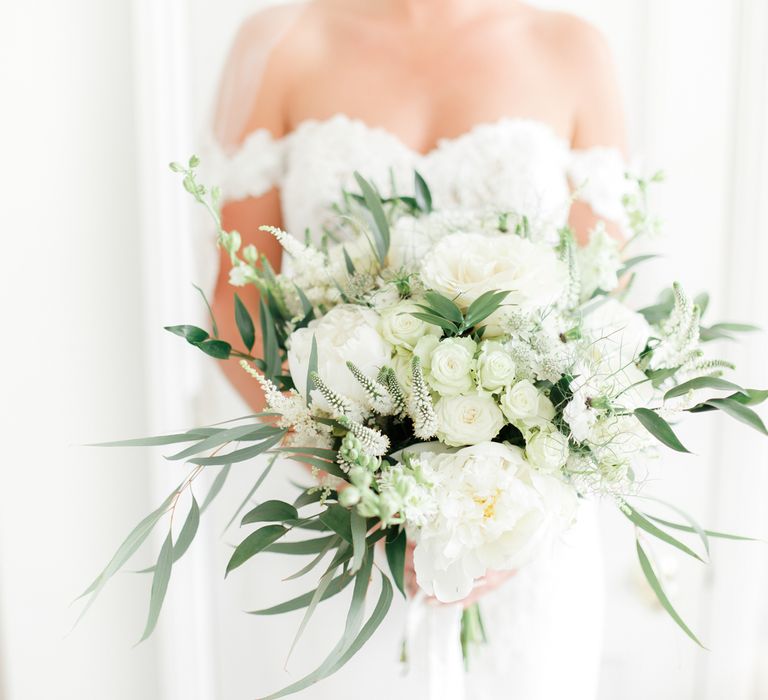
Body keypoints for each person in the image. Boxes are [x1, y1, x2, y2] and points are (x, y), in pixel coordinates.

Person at [206, 1, 627, 697]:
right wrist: (350, 480)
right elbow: (236, 306)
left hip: (525, 537)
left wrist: (516, 513)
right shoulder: (283, 41)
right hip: (337, 525)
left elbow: (602, 307)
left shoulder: (573, 48)